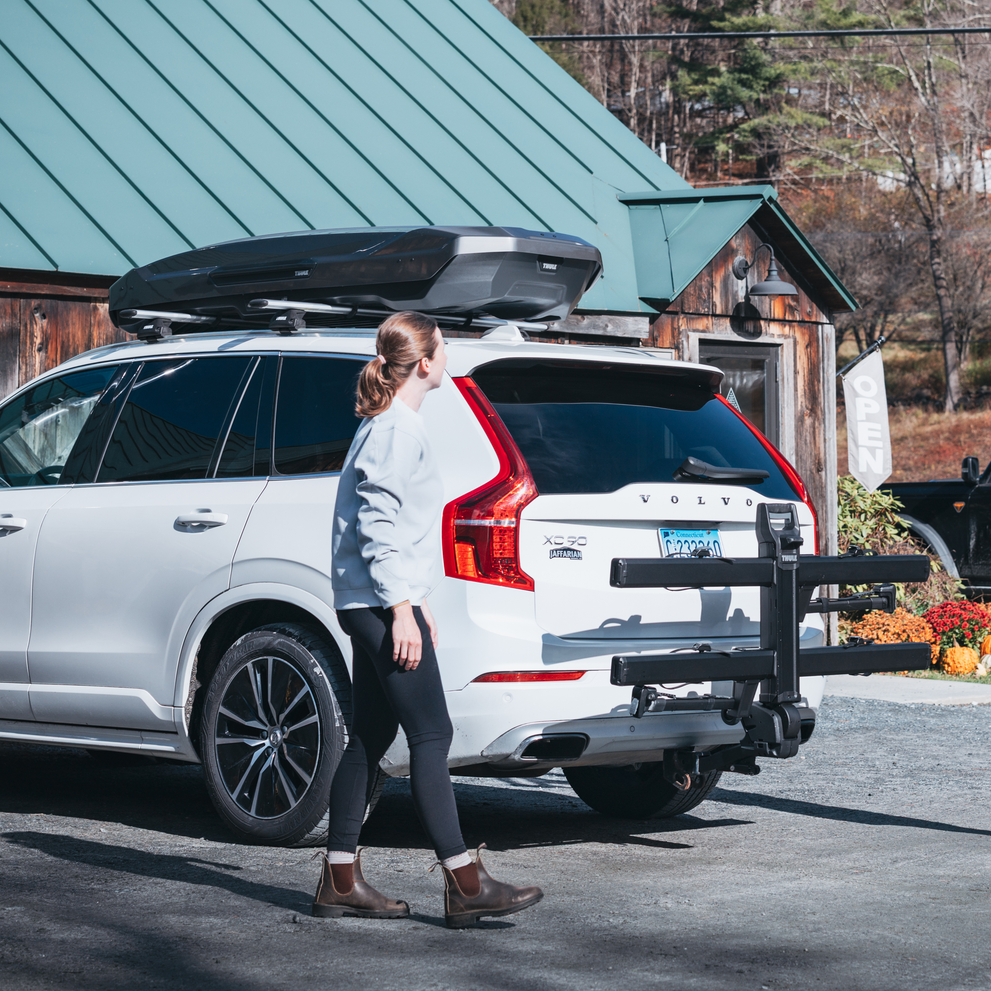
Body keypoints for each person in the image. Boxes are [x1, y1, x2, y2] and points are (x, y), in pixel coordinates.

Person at [312, 310, 543, 929]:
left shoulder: (389, 424)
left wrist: (416, 600)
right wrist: (400, 608)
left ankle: (339, 878)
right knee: (432, 734)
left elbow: (395, 533)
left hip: (373, 600)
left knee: (369, 735)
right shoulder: (394, 431)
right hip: (376, 602)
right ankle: (465, 881)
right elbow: (378, 529)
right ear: (426, 363)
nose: (447, 355)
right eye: (443, 347)